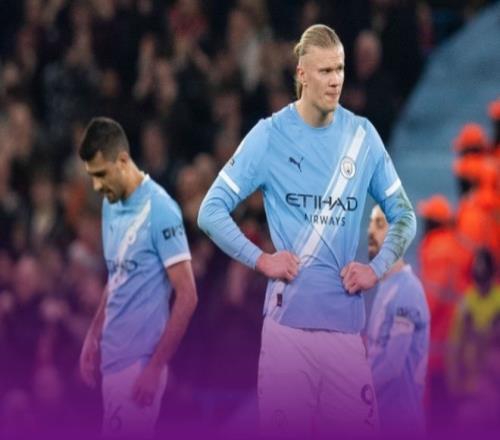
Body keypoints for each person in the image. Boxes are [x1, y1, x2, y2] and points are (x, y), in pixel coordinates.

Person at [198, 24, 416, 438]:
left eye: (340, 69)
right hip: (288, 333)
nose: (336, 80)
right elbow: (210, 211)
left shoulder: (362, 137)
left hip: (346, 333)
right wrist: (261, 259)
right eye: (325, 71)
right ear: (302, 74)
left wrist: (376, 268)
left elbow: (404, 215)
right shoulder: (270, 135)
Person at [78, 117, 197, 438]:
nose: (97, 186)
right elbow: (118, 275)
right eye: (92, 176)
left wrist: (155, 368)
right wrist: (94, 334)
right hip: (112, 363)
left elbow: (188, 296)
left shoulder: (161, 210)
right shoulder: (110, 205)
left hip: (138, 367)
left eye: (101, 174)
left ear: (122, 160)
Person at [365, 205, 430, 434]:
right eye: (370, 223)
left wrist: (353, 391)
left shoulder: (407, 289)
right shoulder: (386, 286)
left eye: (379, 224)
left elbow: (392, 365)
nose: (370, 231)